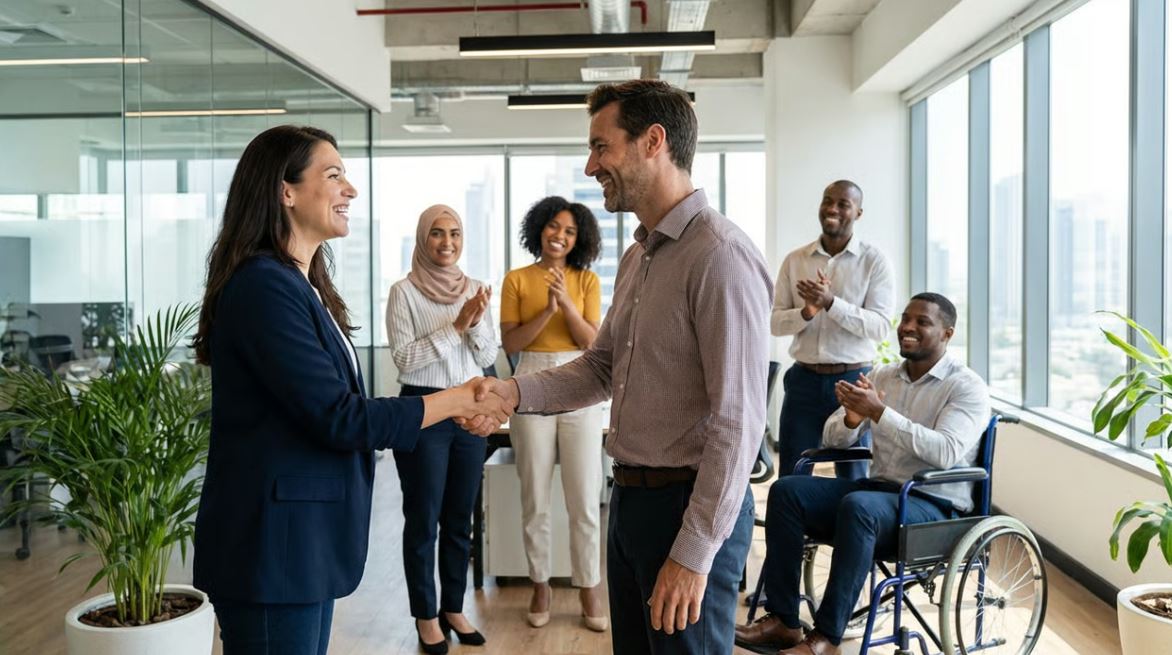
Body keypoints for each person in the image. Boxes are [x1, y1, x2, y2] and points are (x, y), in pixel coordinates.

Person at [474, 80, 773, 655]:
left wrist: (692, 552)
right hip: (632, 503)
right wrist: (510, 393)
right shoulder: (640, 255)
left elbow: (738, 424)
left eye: (601, 147)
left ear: (652, 141)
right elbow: (601, 367)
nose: (590, 166)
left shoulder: (720, 256)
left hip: (687, 511)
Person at [191, 125, 509, 655]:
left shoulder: (301, 283)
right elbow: (340, 416)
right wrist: (460, 399)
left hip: (299, 543)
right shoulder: (264, 286)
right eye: (333, 175)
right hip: (274, 547)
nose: (351, 190)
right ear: (284, 190)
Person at [734, 293, 991, 655]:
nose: (908, 328)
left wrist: (880, 412)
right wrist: (853, 418)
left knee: (859, 506)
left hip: (934, 507)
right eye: (905, 319)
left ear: (947, 334)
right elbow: (832, 436)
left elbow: (946, 452)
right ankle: (784, 621)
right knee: (788, 490)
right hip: (881, 492)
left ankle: (826, 638)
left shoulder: (966, 387)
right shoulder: (884, 375)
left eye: (922, 322)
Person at [385, 204, 497, 654]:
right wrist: (457, 323)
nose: (446, 242)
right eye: (436, 233)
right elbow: (406, 360)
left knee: (459, 519)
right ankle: (426, 616)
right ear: (421, 238)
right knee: (423, 520)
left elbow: (488, 350)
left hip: (469, 415)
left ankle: (453, 606)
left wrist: (472, 323)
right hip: (423, 413)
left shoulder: (474, 290)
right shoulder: (403, 292)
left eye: (454, 233)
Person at [499, 196, 607, 631]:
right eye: (553, 227)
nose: (559, 236)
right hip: (531, 379)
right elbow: (510, 345)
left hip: (579, 379)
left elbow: (592, 344)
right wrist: (545, 309)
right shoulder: (517, 279)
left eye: (569, 231)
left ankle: (589, 587)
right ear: (539, 228)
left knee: (584, 497)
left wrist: (565, 303)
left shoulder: (587, 280)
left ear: (578, 239)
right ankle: (540, 583)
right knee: (535, 496)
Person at [771, 180, 894, 480]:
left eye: (843, 204)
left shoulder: (874, 261)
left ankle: (846, 528)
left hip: (854, 381)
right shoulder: (795, 260)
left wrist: (830, 303)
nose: (832, 209)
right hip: (803, 382)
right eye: (827, 200)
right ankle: (792, 528)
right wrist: (807, 311)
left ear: (858, 213)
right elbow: (775, 324)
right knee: (792, 475)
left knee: (853, 476)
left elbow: (880, 328)